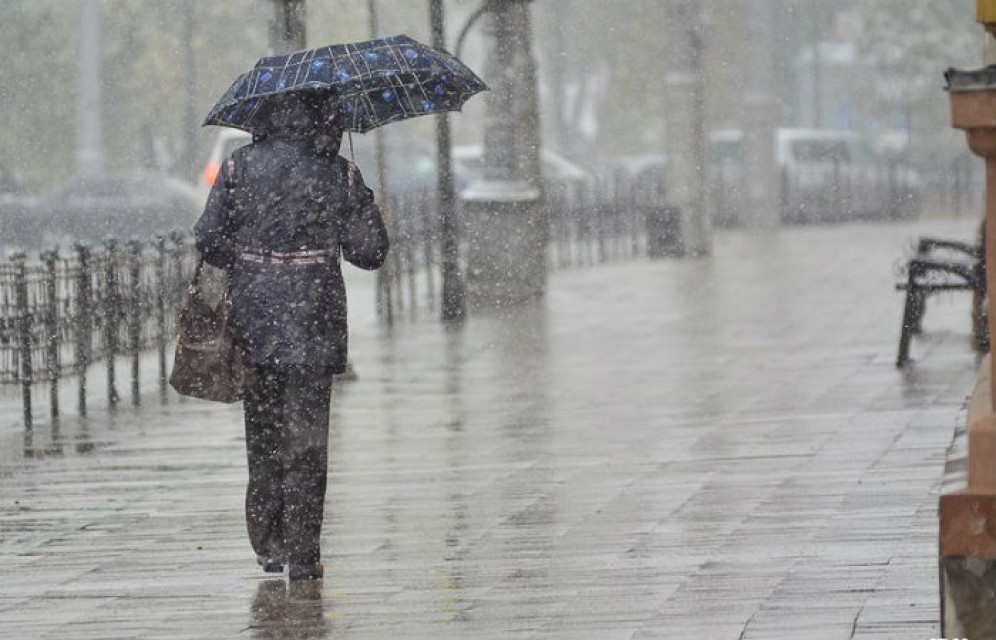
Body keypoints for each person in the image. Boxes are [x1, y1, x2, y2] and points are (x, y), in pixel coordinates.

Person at [194, 97, 389, 581]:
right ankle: (304, 552)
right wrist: (358, 198)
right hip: (313, 323)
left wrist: (252, 255)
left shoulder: (239, 167)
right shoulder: (337, 173)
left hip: (254, 321)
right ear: (325, 116)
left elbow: (209, 239)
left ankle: (269, 541)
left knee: (262, 438)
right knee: (307, 442)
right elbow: (370, 252)